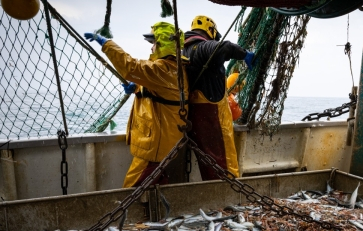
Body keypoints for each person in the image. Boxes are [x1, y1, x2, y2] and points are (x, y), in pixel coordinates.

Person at [84, 22, 188, 188]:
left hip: (155, 145)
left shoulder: (165, 68)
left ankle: (133, 214)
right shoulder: (174, 68)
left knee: (131, 188)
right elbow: (162, 93)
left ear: (163, 43)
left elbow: (130, 67)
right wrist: (138, 89)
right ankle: (159, 213)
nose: (151, 48)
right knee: (156, 183)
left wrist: (107, 44)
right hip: (162, 141)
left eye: (154, 43)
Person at [182, 15, 255, 180]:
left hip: (194, 114)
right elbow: (223, 47)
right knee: (223, 160)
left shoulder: (183, 51)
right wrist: (245, 55)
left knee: (208, 160)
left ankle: (214, 195)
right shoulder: (202, 47)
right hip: (211, 113)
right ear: (210, 31)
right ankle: (227, 196)